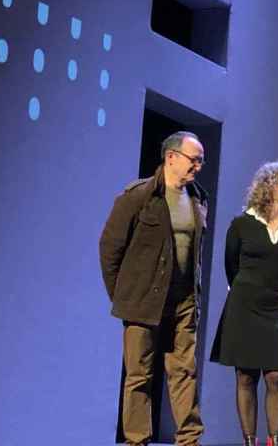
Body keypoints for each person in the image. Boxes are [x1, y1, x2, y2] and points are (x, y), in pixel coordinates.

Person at [99, 131, 207, 446]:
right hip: (144, 301)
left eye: (201, 161)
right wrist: (123, 296)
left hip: (184, 300)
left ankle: (189, 439)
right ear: (171, 157)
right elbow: (110, 248)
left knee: (184, 372)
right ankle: (137, 439)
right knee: (139, 375)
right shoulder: (139, 196)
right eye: (194, 159)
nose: (198, 167)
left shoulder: (198, 198)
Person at [210, 162, 278, 446]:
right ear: (267, 187)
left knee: (276, 375)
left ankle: (273, 441)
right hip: (244, 305)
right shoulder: (241, 224)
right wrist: (247, 289)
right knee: (245, 375)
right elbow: (231, 265)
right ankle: (249, 441)